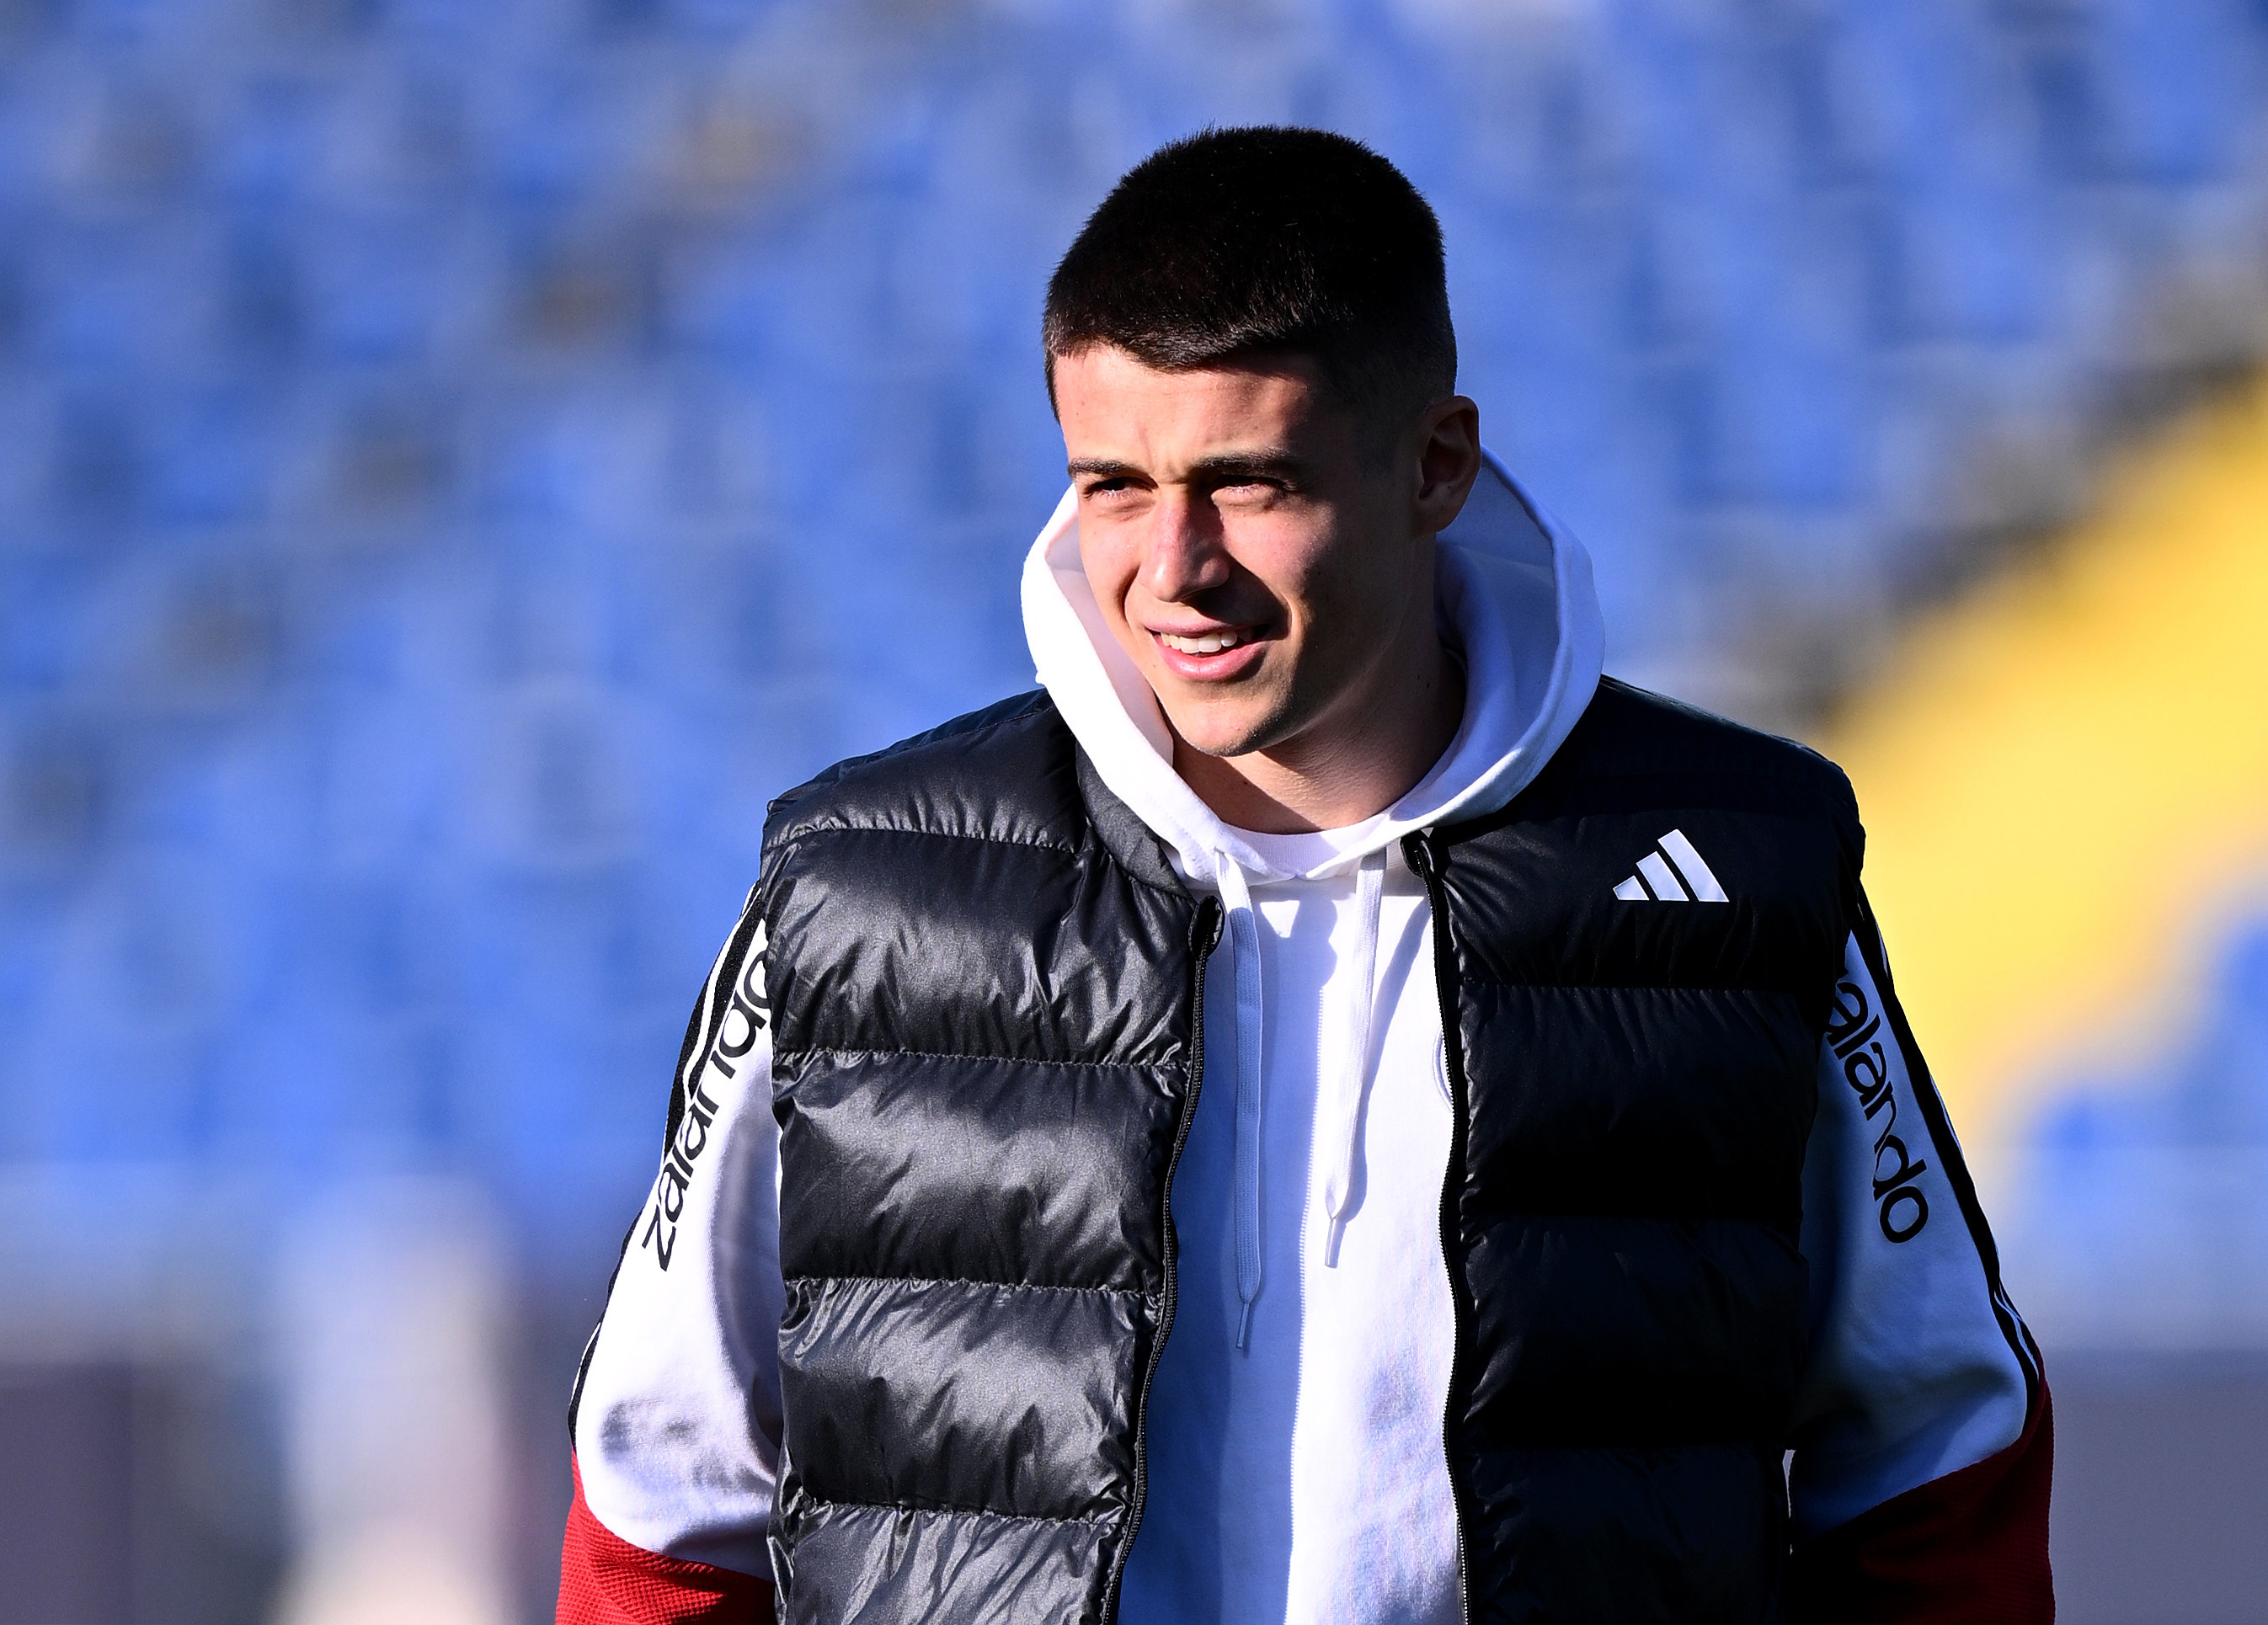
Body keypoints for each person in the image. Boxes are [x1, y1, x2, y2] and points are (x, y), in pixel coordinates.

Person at [556, 126, 2053, 1625]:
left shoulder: (1737, 872)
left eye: (1249, 484)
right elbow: (657, 1511)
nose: (1172, 564)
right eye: (1114, 486)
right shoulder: (856, 890)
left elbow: (1936, 1474)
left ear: (1434, 467)